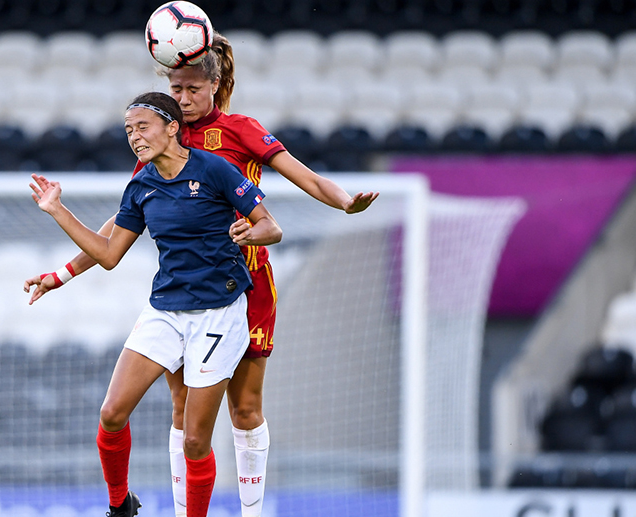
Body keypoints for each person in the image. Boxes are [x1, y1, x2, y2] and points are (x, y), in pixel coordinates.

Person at [25, 34, 379, 517]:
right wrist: (63, 273)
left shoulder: (240, 131)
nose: (184, 98)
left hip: (244, 283)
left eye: (193, 89)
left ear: (216, 84)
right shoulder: (159, 139)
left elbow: (304, 178)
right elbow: (121, 226)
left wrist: (344, 202)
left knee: (246, 408)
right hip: (181, 290)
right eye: (176, 89)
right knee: (182, 415)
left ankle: (251, 511)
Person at [25, 91, 283, 517]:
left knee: (196, 440)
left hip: (219, 314)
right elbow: (108, 255)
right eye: (128, 130)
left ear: (172, 127)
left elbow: (270, 226)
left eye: (142, 126)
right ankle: (120, 505)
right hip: (166, 309)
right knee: (111, 413)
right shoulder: (142, 183)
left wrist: (253, 234)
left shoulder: (215, 169)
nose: (135, 137)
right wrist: (57, 210)